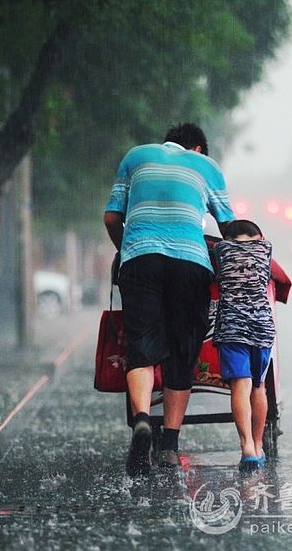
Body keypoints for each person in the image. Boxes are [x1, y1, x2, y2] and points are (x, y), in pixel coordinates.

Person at [103, 123, 235, 476]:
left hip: (140, 259)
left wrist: (128, 249)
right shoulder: (206, 167)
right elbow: (230, 229)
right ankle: (170, 446)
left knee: (141, 347)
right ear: (196, 150)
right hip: (190, 263)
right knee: (183, 349)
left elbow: (112, 217)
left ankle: (144, 419)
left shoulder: (135, 156)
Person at [213, 219, 276, 472]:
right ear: (258, 236)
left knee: (241, 384)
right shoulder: (266, 247)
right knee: (258, 386)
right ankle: (259, 445)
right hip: (262, 327)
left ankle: (246, 447)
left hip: (232, 327)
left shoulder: (221, 250)